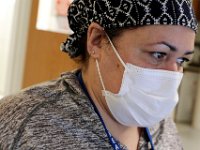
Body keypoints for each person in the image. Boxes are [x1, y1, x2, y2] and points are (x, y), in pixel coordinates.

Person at [0, 0, 198, 149]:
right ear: (97, 40)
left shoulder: (161, 125)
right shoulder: (25, 123)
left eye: (182, 60)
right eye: (158, 54)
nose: (172, 75)